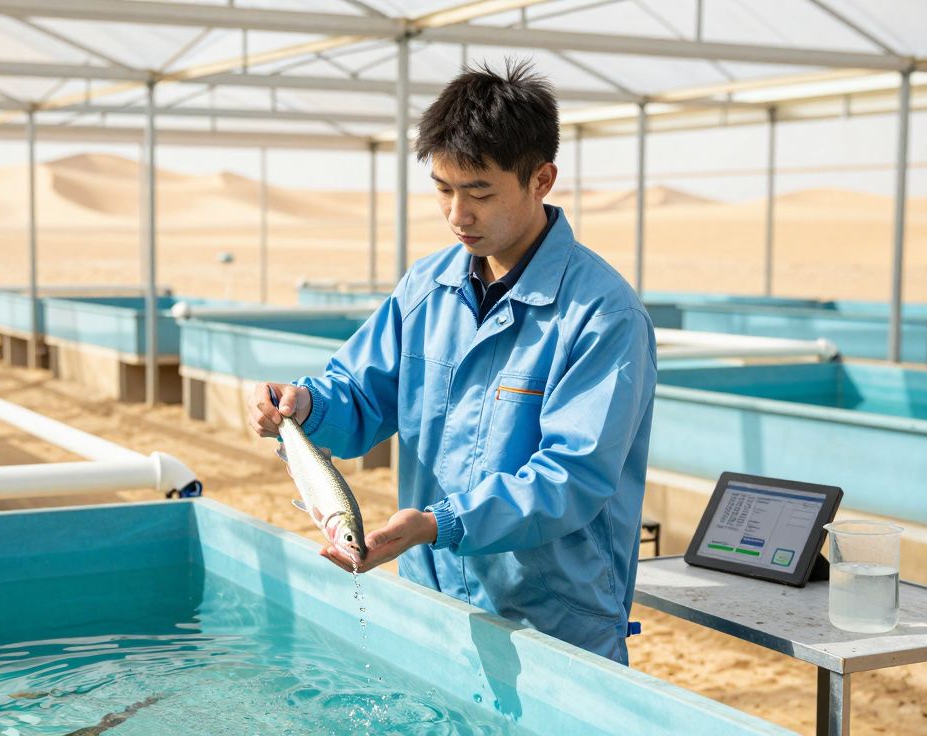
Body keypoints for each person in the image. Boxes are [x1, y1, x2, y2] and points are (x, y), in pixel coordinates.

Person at [247, 60, 657, 665]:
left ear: (541, 180)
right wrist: (307, 405)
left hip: (553, 621)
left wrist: (444, 524)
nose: (457, 215)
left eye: (480, 193)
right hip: (433, 605)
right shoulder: (426, 289)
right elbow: (361, 395)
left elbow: (572, 477)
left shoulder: (601, 315)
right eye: (443, 189)